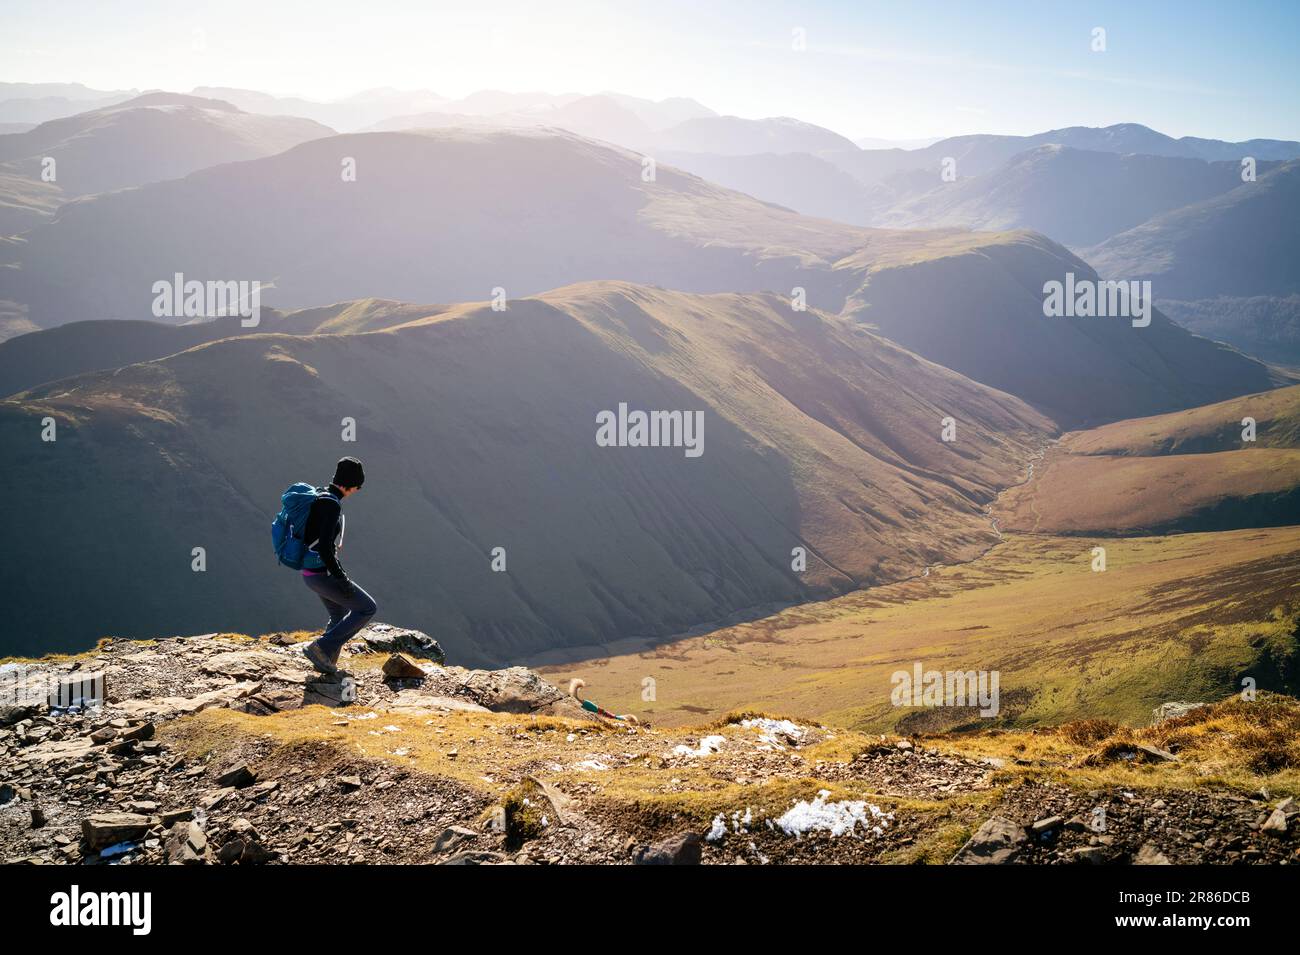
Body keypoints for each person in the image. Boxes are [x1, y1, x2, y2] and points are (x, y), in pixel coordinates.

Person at [299, 456, 377, 675]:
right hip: (320, 573)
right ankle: (320, 648)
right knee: (367, 608)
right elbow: (324, 546)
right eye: (357, 487)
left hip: (310, 573)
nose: (356, 491)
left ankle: (327, 662)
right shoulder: (331, 505)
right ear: (348, 485)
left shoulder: (322, 496)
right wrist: (342, 578)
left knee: (338, 613)